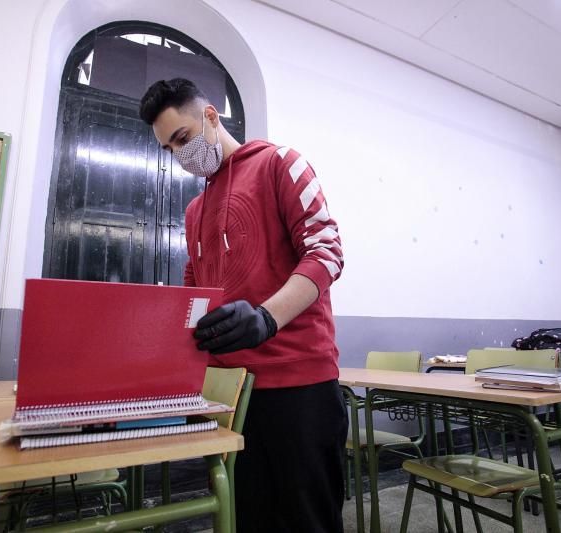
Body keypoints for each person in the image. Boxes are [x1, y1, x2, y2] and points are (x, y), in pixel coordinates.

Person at [140, 78, 347, 533]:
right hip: (231, 392)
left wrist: (267, 317)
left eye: (183, 138)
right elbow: (194, 287)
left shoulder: (281, 164)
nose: (180, 155)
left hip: (299, 386)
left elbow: (326, 253)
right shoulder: (195, 210)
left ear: (211, 116)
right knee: (249, 517)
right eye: (169, 149)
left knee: (307, 519)